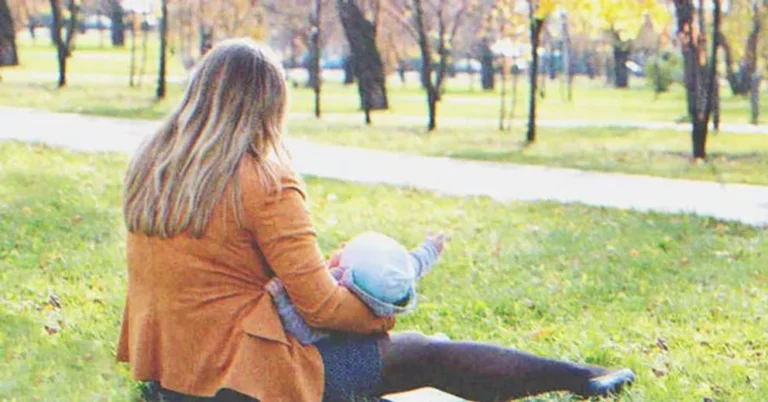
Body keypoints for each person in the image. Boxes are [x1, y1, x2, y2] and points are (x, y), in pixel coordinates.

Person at [117, 38, 636, 402]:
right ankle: (581, 378)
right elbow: (319, 306)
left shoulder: (153, 165)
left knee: (385, 358)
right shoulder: (265, 180)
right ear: (269, 105)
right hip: (247, 379)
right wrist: (379, 315)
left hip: (175, 377)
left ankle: (578, 378)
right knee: (424, 353)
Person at [266, 231, 444, 345]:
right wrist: (431, 248)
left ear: (343, 276)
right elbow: (413, 265)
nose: (341, 246)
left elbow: (307, 334)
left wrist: (282, 300)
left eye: (343, 253)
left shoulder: (340, 311)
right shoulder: (389, 284)